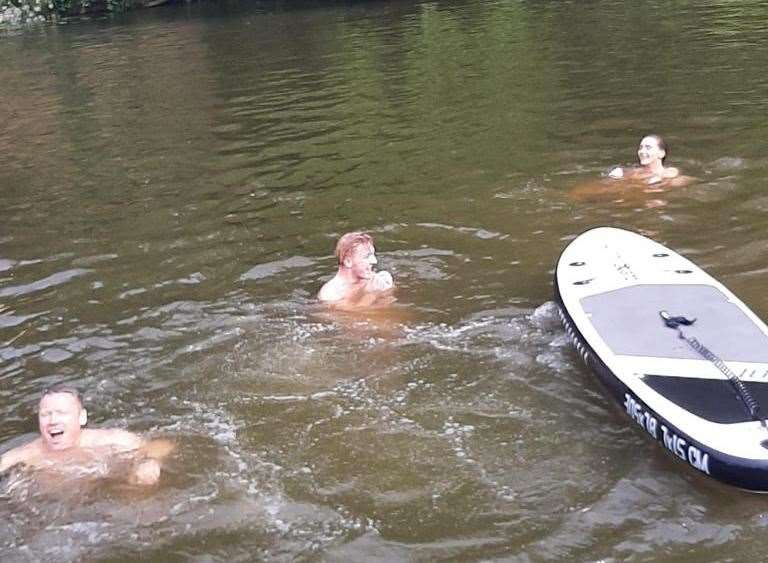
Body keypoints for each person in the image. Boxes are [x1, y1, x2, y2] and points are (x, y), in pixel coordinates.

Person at [0, 385, 173, 486]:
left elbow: (161, 445)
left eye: (61, 413)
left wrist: (148, 462)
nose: (52, 420)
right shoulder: (26, 454)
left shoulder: (106, 440)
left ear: (81, 417)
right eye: (45, 414)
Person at [318, 232, 394, 308]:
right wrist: (372, 295)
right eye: (367, 256)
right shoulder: (330, 295)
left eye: (373, 255)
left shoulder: (375, 279)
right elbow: (349, 316)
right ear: (348, 262)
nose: (374, 261)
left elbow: (390, 296)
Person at [608, 134, 687, 185]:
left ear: (661, 153)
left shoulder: (670, 173)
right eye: (641, 148)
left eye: (648, 148)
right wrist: (620, 172)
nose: (642, 151)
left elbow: (672, 172)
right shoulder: (635, 172)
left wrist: (660, 177)